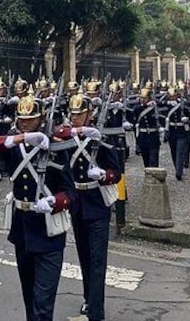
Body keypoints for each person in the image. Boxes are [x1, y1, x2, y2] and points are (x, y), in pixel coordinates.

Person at [0, 91, 76, 321]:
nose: (24, 123)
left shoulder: (55, 147)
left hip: (49, 232)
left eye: (29, 119)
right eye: (21, 119)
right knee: (29, 299)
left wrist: (55, 201)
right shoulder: (14, 143)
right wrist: (18, 139)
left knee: (43, 304)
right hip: (22, 229)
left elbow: (71, 193)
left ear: (41, 119)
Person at [55, 90, 121, 321]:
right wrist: (80, 131)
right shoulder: (68, 135)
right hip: (78, 205)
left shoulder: (101, 137)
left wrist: (103, 175)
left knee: (97, 259)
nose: (75, 118)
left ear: (90, 113)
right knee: (84, 255)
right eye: (72, 114)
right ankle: (88, 298)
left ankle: (96, 311)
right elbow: (54, 132)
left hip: (97, 204)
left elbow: (116, 172)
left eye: (80, 114)